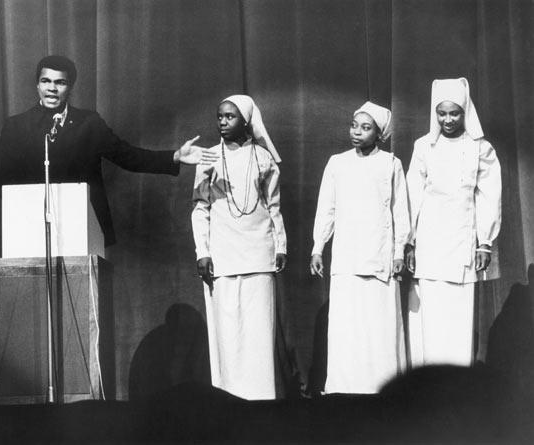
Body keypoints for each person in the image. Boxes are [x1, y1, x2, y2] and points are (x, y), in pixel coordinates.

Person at [0, 55, 217, 246]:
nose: (52, 88)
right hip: (29, 229)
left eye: (60, 83)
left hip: (82, 226)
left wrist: (175, 156)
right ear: (37, 85)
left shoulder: (89, 123)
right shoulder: (16, 126)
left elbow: (128, 156)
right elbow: (1, 181)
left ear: (70, 87)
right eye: (46, 81)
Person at [310, 101, 410, 394]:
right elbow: (326, 208)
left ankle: (382, 388)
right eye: (354, 125)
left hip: (378, 258)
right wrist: (318, 247)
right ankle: (344, 387)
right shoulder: (337, 163)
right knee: (347, 327)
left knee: (379, 327)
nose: (357, 132)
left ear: (379, 133)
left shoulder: (391, 164)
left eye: (366, 128)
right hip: (346, 259)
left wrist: (399, 251)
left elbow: (399, 211)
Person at [191, 94, 286, 400]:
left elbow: (273, 207)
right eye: (219, 116)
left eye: (230, 117)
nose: (222, 122)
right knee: (228, 332)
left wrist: (280, 245)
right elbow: (200, 208)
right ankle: (228, 400)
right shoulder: (208, 157)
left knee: (258, 331)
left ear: (245, 121)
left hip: (259, 252)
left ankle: (262, 399)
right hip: (223, 255)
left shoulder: (263, 157)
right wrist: (202, 252)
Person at [406, 77, 502, 367]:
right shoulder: (423, 147)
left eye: (454, 113)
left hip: (461, 244)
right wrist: (408, 242)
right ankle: (427, 387)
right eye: (442, 113)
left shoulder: (480, 148)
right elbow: (412, 195)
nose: (448, 119)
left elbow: (489, 196)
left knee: (458, 319)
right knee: (430, 319)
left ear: (465, 112)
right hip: (429, 244)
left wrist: (484, 242)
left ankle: (457, 388)